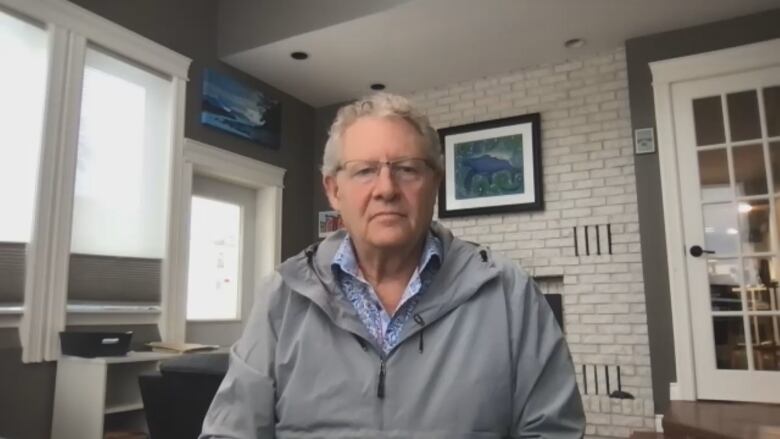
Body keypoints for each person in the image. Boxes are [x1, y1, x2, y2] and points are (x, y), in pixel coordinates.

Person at [200, 93, 585, 438]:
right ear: (334, 190)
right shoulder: (282, 297)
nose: (386, 188)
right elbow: (231, 432)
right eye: (365, 170)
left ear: (435, 184)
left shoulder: (509, 294)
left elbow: (554, 430)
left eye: (407, 169)